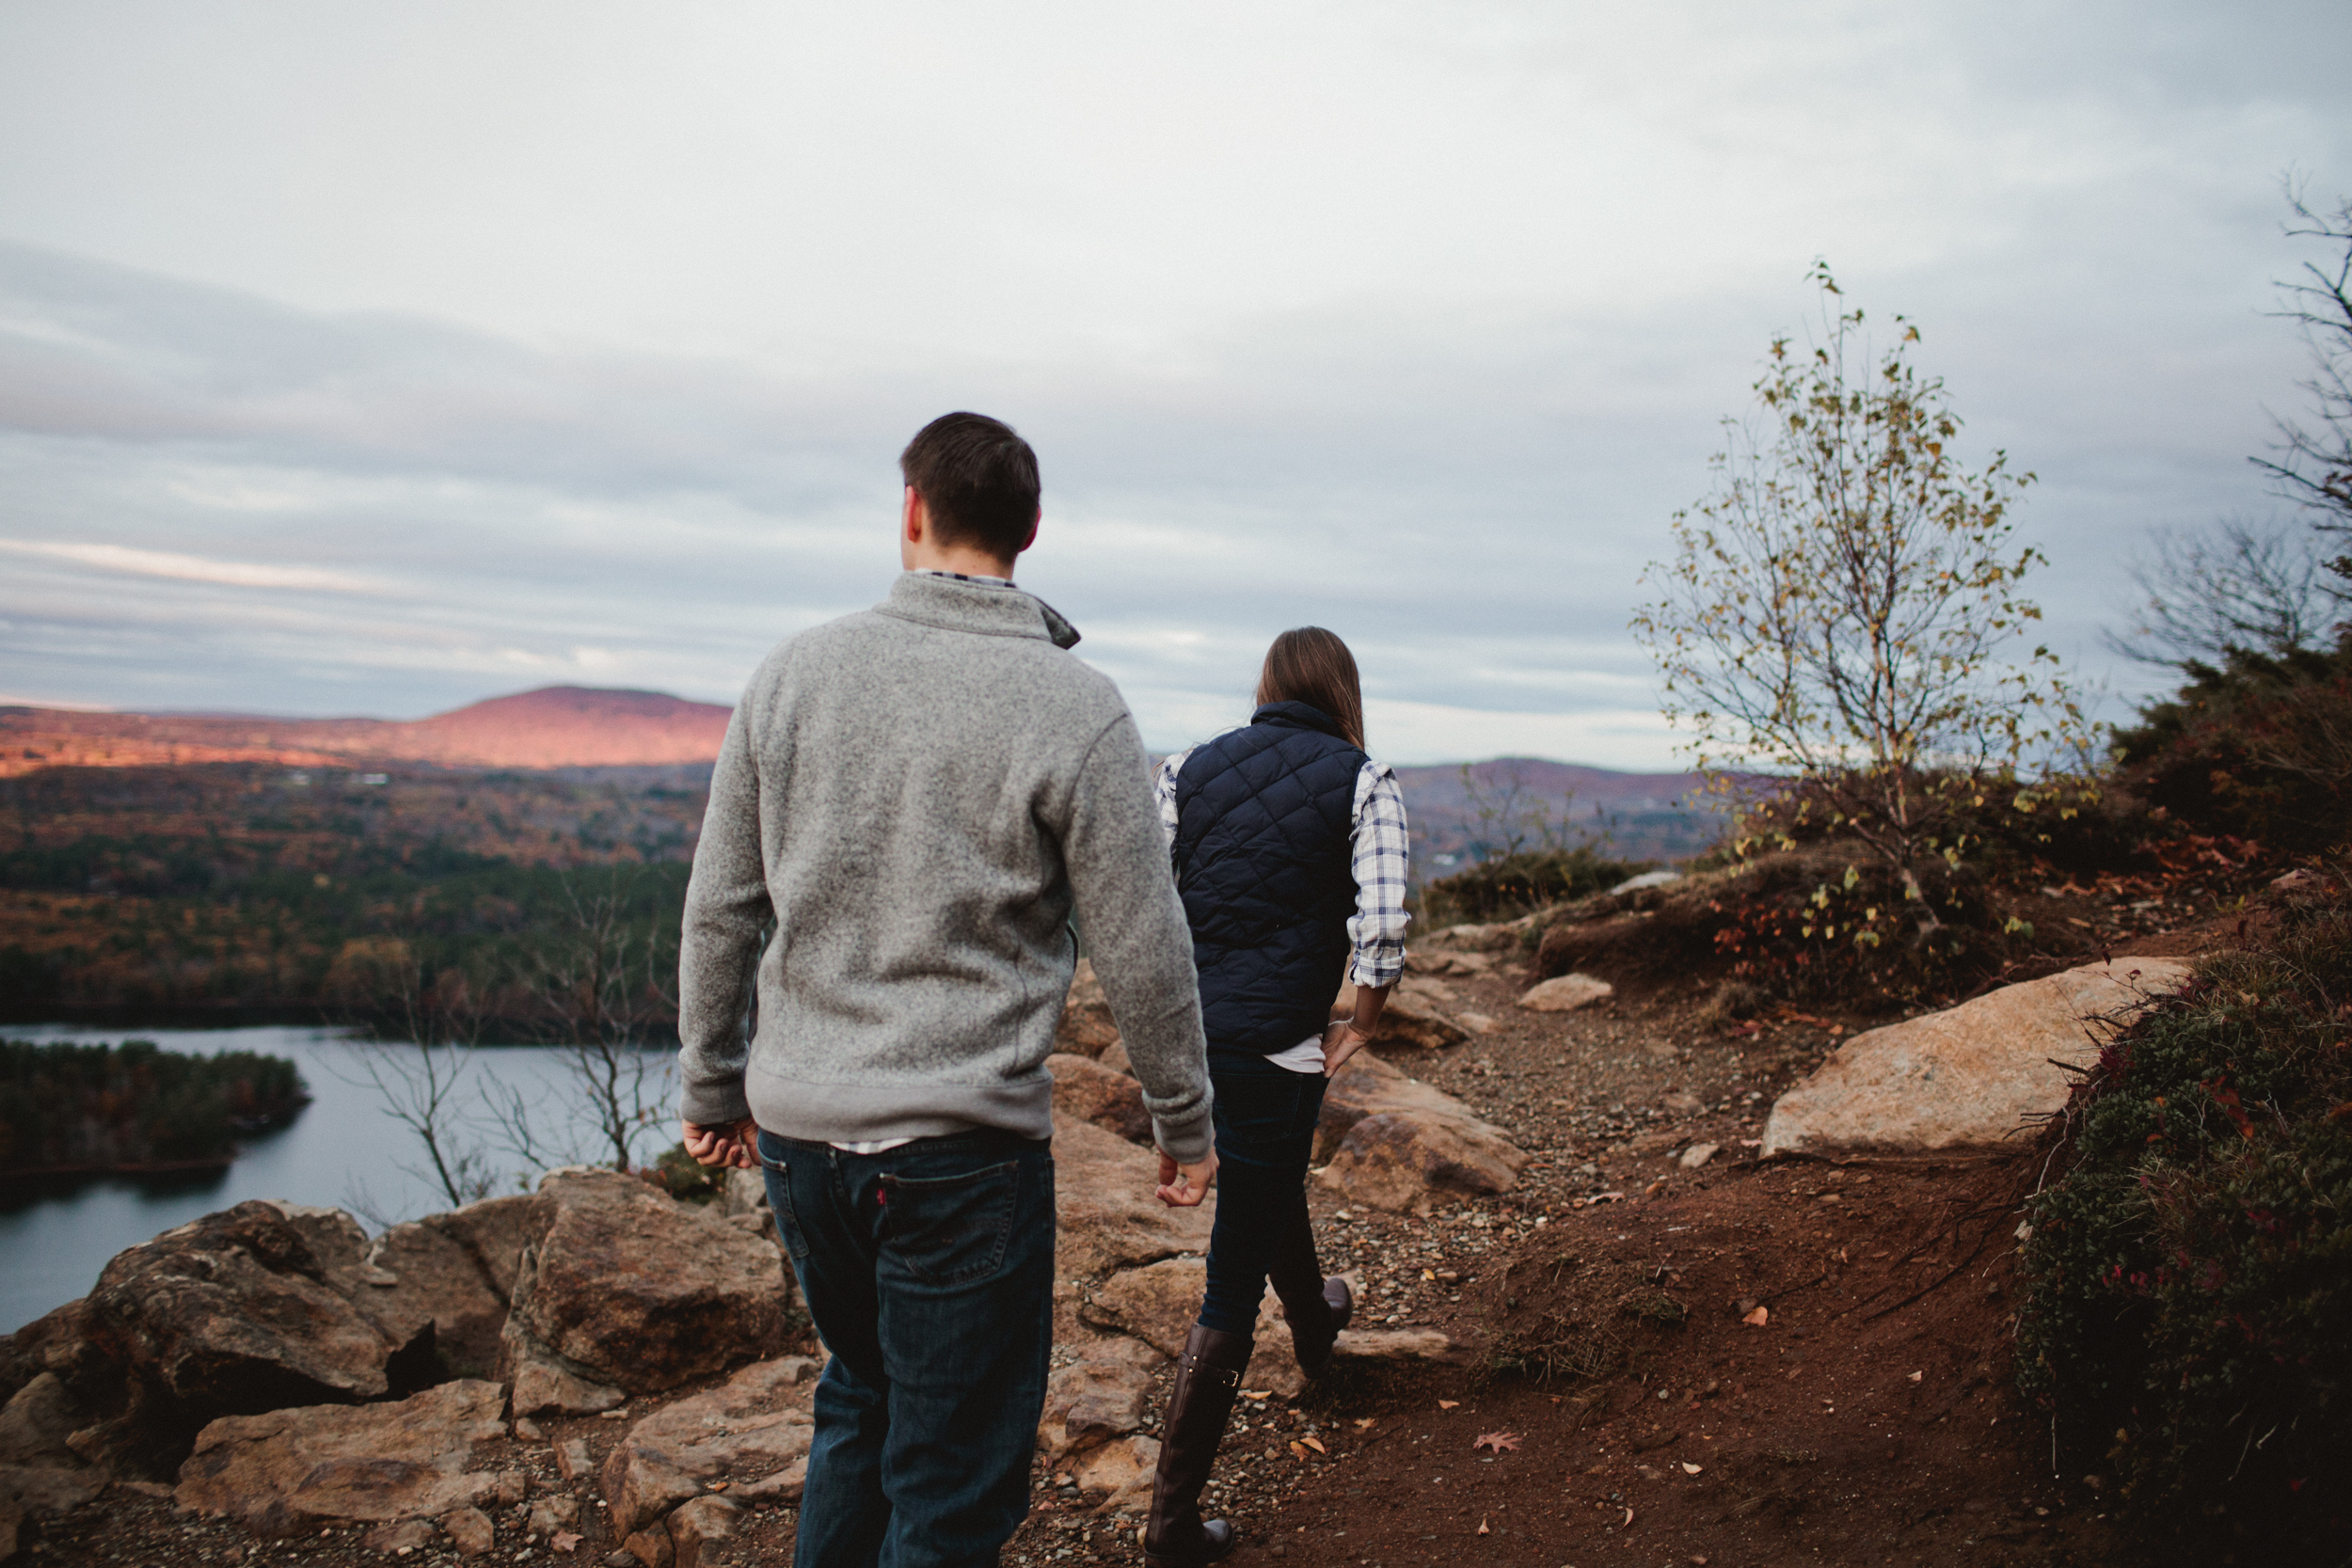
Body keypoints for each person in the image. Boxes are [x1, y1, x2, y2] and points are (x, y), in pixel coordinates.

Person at [673, 412, 1218, 1568]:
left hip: (802, 1138)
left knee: (859, 1398)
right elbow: (1143, 941)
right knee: (953, 1480)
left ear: (910, 508)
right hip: (963, 1151)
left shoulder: (793, 673)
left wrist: (712, 1082)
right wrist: (1184, 1120)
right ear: (1029, 530)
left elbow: (722, 902)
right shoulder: (1076, 705)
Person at [1141, 627, 1408, 1564]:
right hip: (1274, 1048)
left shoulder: (1185, 767)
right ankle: (1171, 1523)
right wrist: (1364, 1013)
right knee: (1227, 1280)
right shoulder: (1361, 778)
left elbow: (1149, 907)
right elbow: (1381, 918)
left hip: (1190, 1040)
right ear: (1341, 689)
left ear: (1265, 686)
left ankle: (1316, 1326)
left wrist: (1162, 1036)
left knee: (1266, 1184)